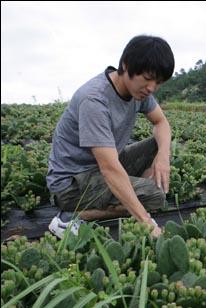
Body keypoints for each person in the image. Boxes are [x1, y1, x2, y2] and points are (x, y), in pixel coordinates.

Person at [46, 35, 175, 239]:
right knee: (154, 195)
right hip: (70, 184)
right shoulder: (95, 100)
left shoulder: (140, 92)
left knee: (158, 146)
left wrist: (163, 156)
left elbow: (161, 123)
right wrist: (147, 223)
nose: (152, 88)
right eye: (148, 78)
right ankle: (70, 216)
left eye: (158, 82)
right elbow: (110, 170)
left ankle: (130, 203)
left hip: (99, 168)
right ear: (126, 65)